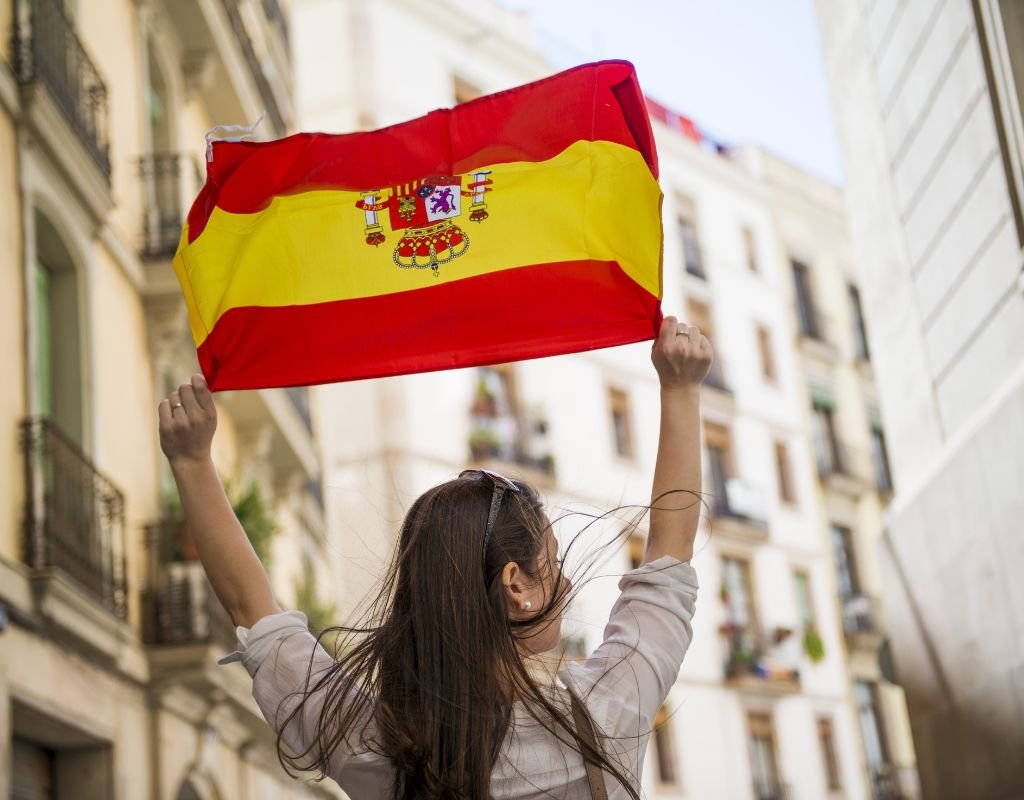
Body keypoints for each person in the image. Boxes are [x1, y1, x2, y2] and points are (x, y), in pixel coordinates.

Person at [158, 316, 711, 799]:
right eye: (553, 564)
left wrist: (190, 460)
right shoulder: (609, 709)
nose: (566, 584)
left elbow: (253, 610)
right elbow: (669, 552)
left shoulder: (372, 743)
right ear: (515, 586)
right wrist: (681, 388)